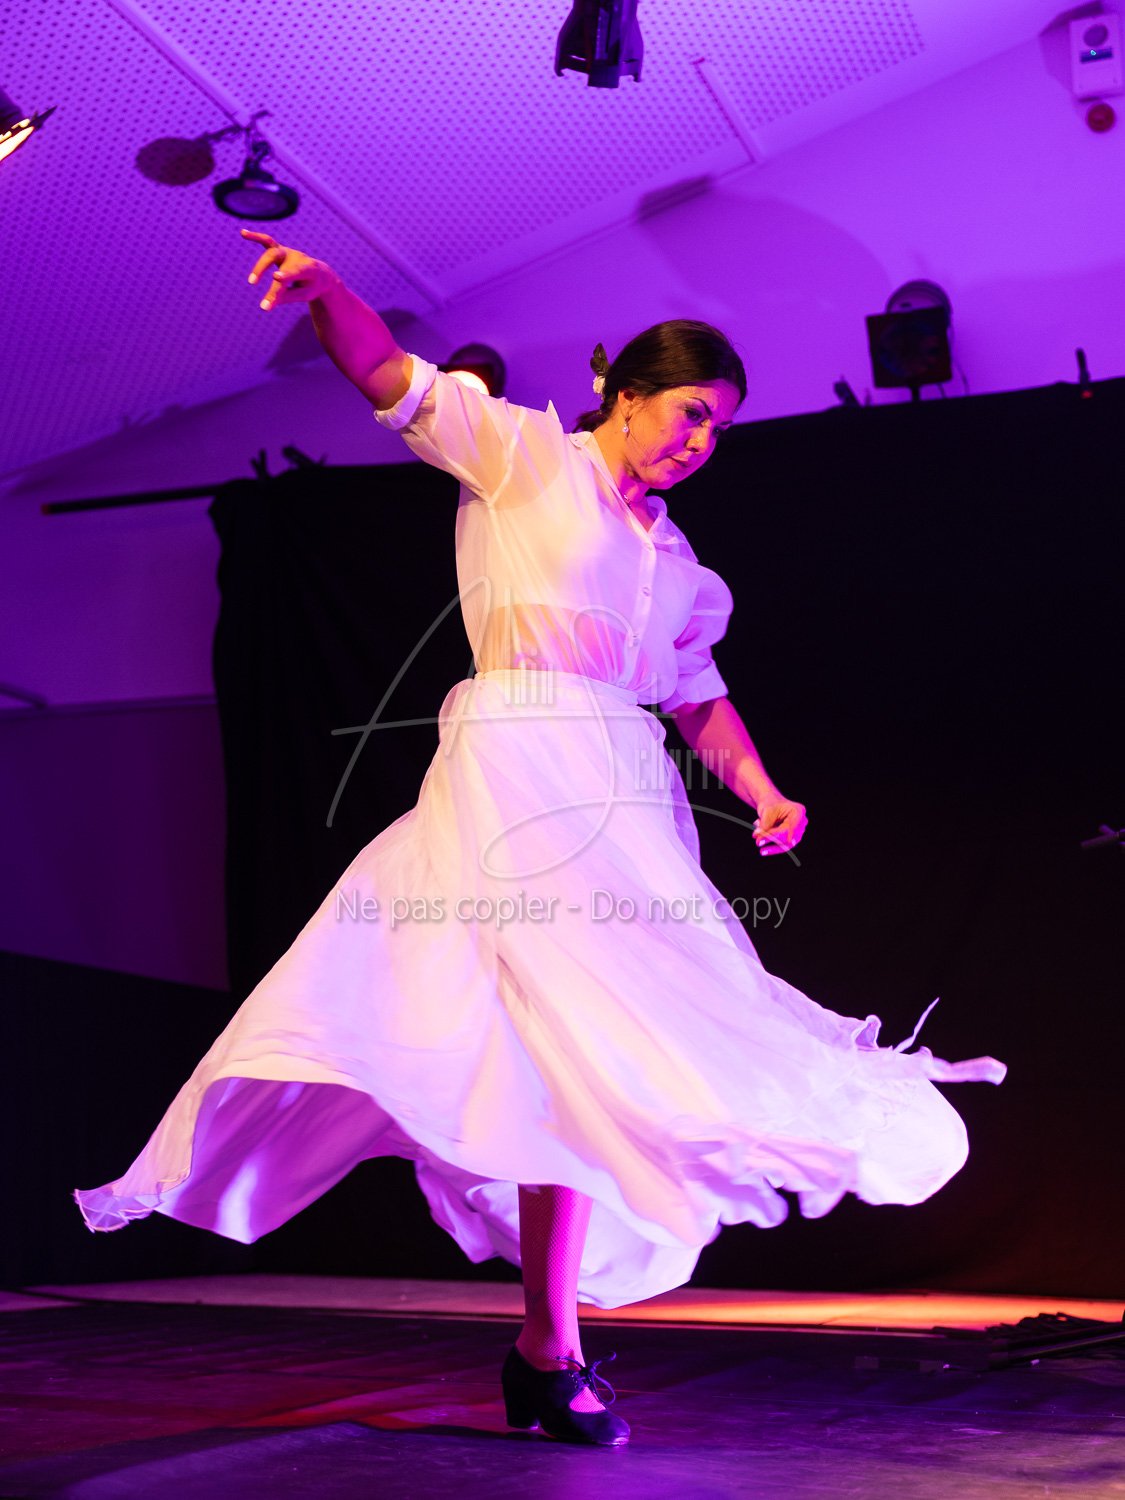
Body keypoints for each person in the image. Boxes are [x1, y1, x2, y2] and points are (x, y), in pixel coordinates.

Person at [74, 230, 1005, 1450]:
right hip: (517, 764)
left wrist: (764, 792)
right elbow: (390, 377)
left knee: (577, 1060)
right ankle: (538, 1340)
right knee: (502, 1025)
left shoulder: (676, 561)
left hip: (622, 795)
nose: (700, 441)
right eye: (689, 411)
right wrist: (332, 293)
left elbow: (697, 696)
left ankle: (544, 1349)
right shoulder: (521, 456)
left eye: (719, 427)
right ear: (627, 395)